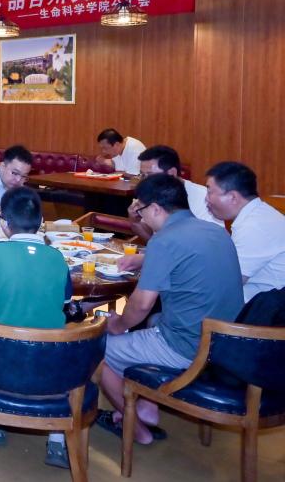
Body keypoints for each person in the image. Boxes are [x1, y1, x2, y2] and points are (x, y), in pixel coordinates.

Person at [97, 174, 243, 445]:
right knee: (155, 320)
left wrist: (116, 325)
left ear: (155, 208)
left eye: (141, 211)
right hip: (227, 345)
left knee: (96, 349)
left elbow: (141, 304)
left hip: (187, 348)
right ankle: (148, 406)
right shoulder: (216, 232)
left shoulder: (164, 240)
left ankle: (137, 430)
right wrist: (145, 259)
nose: (141, 218)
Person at [0, 186, 74, 468]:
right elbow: (65, 302)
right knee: (60, 362)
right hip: (48, 354)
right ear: (41, 222)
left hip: (1, 350)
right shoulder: (57, 257)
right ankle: (57, 440)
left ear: (4, 223)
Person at [205, 161, 285, 302]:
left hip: (266, 310)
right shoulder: (258, 214)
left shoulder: (255, 226)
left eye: (210, 192)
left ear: (233, 197)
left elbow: (227, 283)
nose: (206, 199)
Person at [126, 145, 221, 242]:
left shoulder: (205, 198)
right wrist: (135, 222)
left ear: (172, 173)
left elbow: (213, 241)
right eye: (142, 175)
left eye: (150, 175)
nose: (145, 181)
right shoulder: (150, 194)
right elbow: (156, 240)